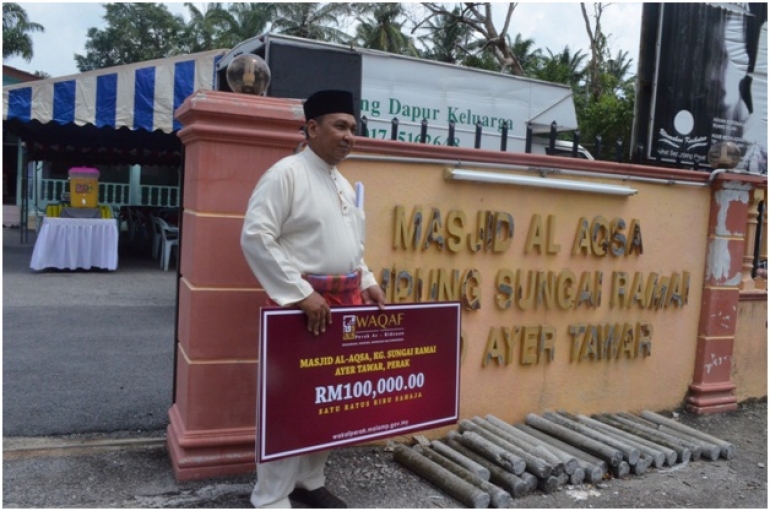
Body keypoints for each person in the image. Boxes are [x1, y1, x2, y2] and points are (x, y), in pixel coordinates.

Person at [241, 89, 386, 508]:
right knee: (288, 403)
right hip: (299, 307)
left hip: (342, 302)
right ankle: (270, 496)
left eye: (353, 129)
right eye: (339, 126)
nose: (348, 136)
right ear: (310, 128)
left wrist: (369, 278)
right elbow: (255, 237)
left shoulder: (342, 184)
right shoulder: (285, 174)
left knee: (328, 400)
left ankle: (309, 479)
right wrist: (301, 294)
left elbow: (351, 248)